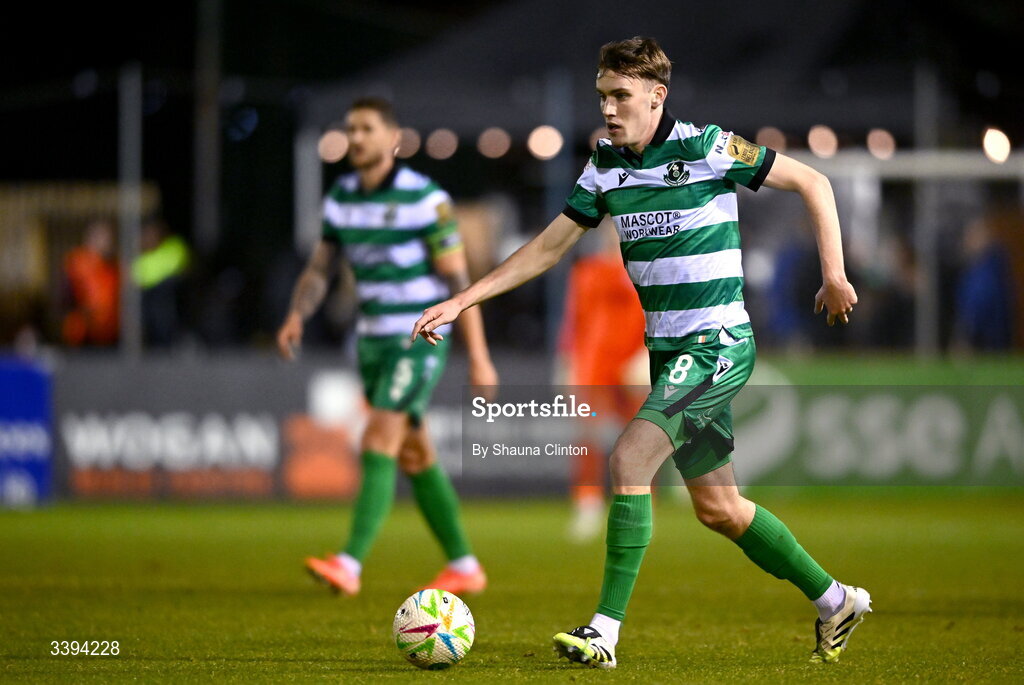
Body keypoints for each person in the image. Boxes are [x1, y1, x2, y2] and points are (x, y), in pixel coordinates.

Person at [412, 37, 866, 668]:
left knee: (629, 456)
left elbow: (813, 181)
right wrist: (466, 299)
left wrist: (834, 275)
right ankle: (836, 599)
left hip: (717, 346)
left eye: (621, 96)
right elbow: (546, 249)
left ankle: (605, 629)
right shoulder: (604, 166)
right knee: (720, 508)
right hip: (668, 353)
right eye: (602, 96)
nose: (608, 108)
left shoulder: (707, 147)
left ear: (657, 97)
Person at [277, 97, 498, 597]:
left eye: (367, 129)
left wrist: (480, 357)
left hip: (418, 338)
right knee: (415, 455)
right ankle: (464, 565)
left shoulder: (426, 201)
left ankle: (349, 563)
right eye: (351, 130)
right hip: (371, 341)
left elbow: (463, 286)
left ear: (393, 139)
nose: (356, 138)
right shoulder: (341, 201)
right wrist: (297, 313)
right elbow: (320, 269)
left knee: (378, 439)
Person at [557, 221, 647, 541]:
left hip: (632, 364)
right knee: (588, 438)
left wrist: (646, 356)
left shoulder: (646, 271)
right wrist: (567, 364)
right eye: (611, 227)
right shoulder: (586, 271)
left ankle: (636, 509)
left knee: (641, 441)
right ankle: (588, 504)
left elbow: (659, 317)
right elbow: (572, 322)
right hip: (593, 364)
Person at [62, 218, 120, 347]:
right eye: (102, 237)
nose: (107, 242)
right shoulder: (77, 264)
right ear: (90, 238)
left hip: (110, 333)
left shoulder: (113, 267)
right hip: (83, 333)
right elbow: (67, 298)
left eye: (109, 238)